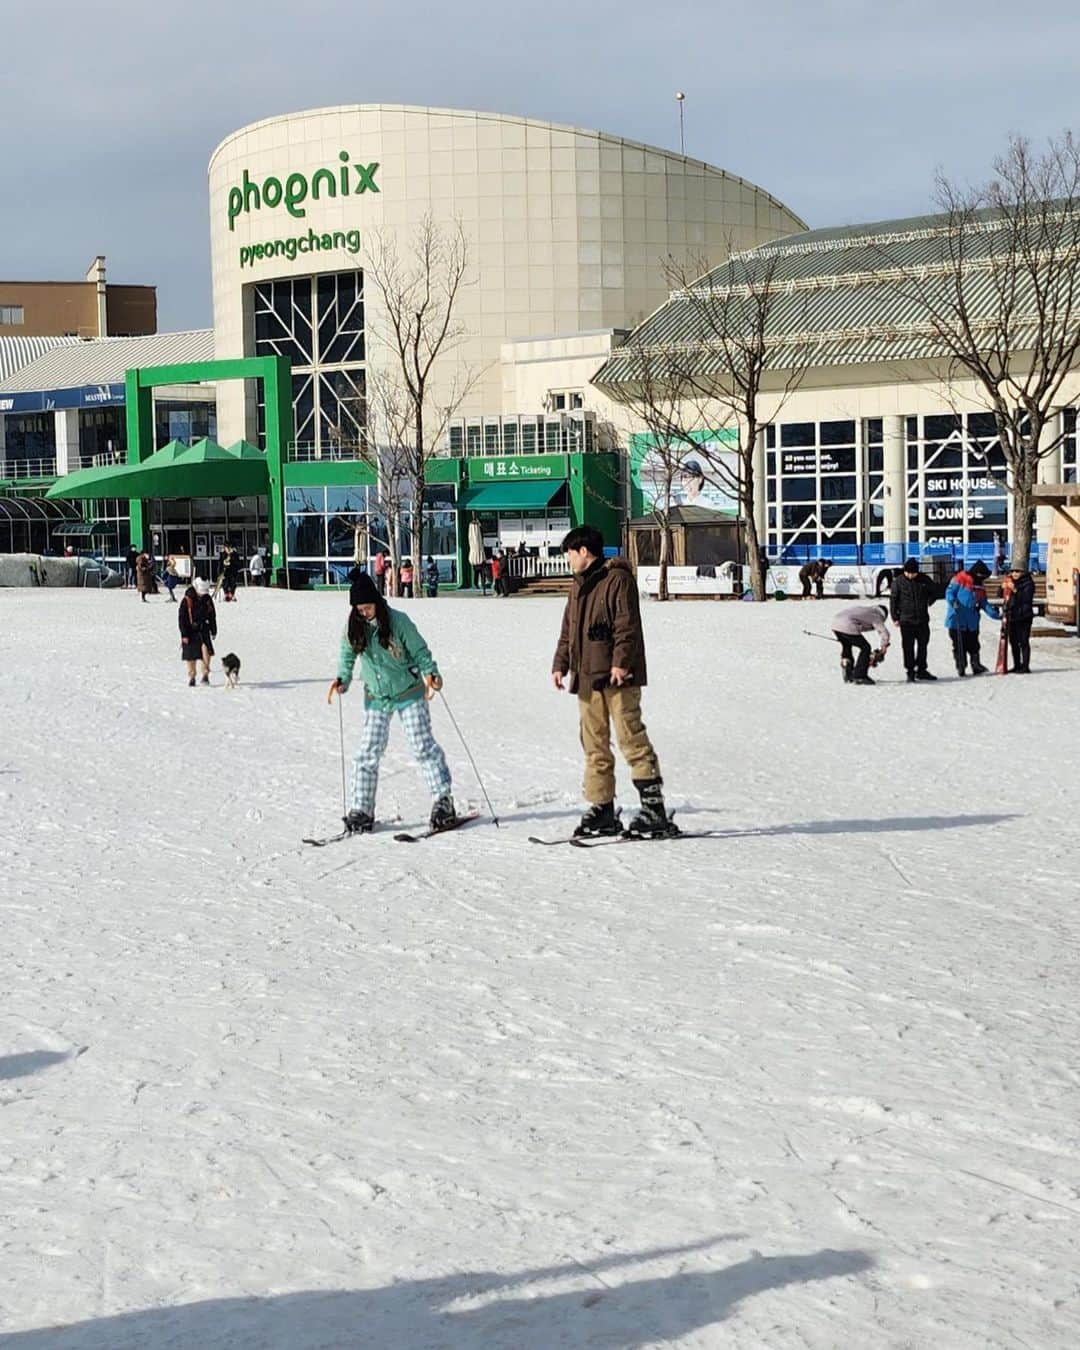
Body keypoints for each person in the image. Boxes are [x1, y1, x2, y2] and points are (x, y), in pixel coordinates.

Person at [552, 524, 672, 837]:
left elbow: (626, 625)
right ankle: (602, 807)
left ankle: (653, 808)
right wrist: (560, 664)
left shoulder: (617, 578)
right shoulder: (577, 585)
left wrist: (620, 663)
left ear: (583, 551)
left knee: (630, 737)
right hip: (587, 677)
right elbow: (569, 629)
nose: (567, 558)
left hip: (619, 677)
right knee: (594, 744)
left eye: (569, 552)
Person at [328, 571, 455, 835]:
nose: (364, 613)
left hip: (408, 691)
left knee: (421, 745)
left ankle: (443, 800)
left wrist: (431, 672)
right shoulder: (354, 626)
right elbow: (346, 655)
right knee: (367, 751)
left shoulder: (398, 621)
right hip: (377, 697)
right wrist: (342, 678)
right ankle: (361, 809)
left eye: (367, 607)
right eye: (359, 609)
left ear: (377, 601)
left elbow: (420, 650)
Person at [889, 557, 939, 682]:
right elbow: (893, 600)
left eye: (913, 573)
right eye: (908, 573)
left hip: (922, 619)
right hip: (906, 620)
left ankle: (921, 670)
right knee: (908, 647)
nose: (911, 575)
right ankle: (910, 671)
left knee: (923, 645)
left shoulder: (924, 579)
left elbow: (935, 591)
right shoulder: (898, 582)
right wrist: (895, 617)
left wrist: (930, 600)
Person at [944, 564, 999, 676]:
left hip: (972, 621)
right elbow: (949, 593)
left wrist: (995, 614)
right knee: (959, 645)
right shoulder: (959, 579)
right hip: (957, 619)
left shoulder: (980, 586)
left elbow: (983, 603)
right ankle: (961, 665)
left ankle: (976, 665)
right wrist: (953, 601)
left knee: (973, 644)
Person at [831, 603, 891, 685]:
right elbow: (884, 632)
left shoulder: (866, 610)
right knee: (865, 647)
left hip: (835, 624)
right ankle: (860, 675)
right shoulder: (876, 615)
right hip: (847, 625)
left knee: (847, 645)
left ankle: (847, 668)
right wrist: (884, 646)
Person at [179, 577, 217, 686]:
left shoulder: (207, 599)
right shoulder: (187, 600)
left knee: (207, 653)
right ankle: (192, 677)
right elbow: (182, 618)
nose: (202, 594)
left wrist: (213, 629)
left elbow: (212, 615)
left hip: (204, 629)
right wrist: (184, 634)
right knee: (191, 656)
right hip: (190, 631)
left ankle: (205, 675)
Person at [1003, 563, 1035, 673]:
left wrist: (1015, 590)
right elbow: (1002, 595)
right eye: (1013, 571)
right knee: (1013, 641)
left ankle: (1025, 666)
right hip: (1012, 616)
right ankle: (1017, 664)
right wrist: (1002, 587)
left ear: (1023, 572)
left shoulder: (1028, 582)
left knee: (1023, 641)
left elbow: (1026, 598)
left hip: (1024, 616)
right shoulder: (1010, 581)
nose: (1014, 574)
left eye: (1017, 571)